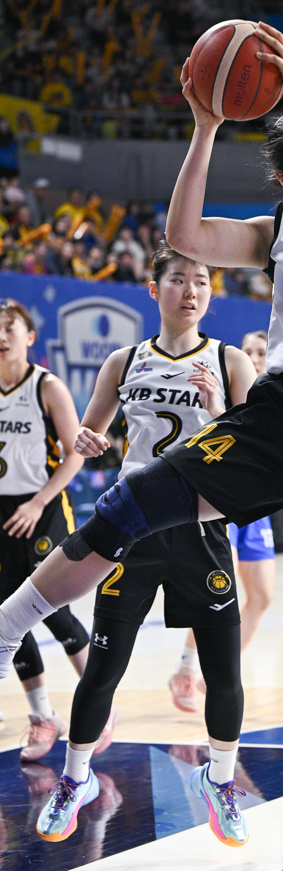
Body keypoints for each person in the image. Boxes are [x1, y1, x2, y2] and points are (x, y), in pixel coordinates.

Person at [0, 22, 283, 871]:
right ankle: (11, 623)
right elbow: (186, 233)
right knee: (125, 511)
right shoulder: (280, 231)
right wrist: (205, 126)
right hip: (276, 412)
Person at [35, 242, 256, 844]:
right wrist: (87, 441)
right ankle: (76, 779)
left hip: (201, 528)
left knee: (223, 671)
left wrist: (219, 411)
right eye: (178, 279)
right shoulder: (124, 361)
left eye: (202, 281)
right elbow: (90, 432)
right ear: (155, 290)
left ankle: (220, 780)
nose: (191, 291)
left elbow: (252, 454)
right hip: (132, 528)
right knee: (104, 667)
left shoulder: (232, 362)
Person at [0, 300, 91, 761]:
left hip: (45, 505)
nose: (1, 336)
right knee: (6, 615)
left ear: (29, 336)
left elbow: (76, 452)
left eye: (9, 327)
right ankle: (43, 717)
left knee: (51, 609)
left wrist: (38, 501)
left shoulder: (46, 386)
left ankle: (100, 702)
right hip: (3, 510)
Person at [169, 330, 276, 712]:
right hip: (219, 499)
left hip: (257, 502)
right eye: (247, 350)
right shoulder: (220, 388)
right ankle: (188, 669)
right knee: (218, 590)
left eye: (260, 351)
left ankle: (215, 668)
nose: (253, 357)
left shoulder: (278, 395)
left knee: (262, 596)